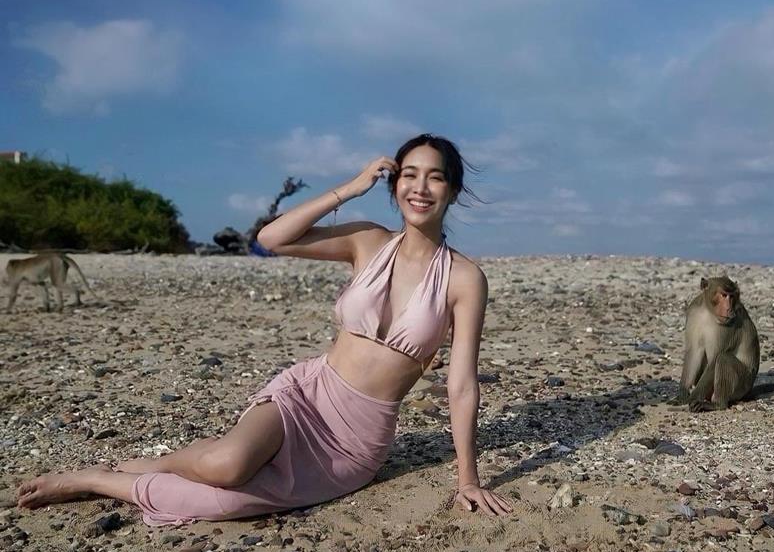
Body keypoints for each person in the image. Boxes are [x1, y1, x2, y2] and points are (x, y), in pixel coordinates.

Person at [16, 134, 511, 523]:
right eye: (409, 175)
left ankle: (100, 481)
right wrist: (349, 188)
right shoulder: (366, 240)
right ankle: (142, 467)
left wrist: (467, 478)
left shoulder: (465, 279)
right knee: (227, 466)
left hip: (358, 437)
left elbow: (461, 383)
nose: (420, 188)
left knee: (225, 502)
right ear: (393, 183)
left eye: (435, 178)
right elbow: (272, 239)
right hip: (310, 392)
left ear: (453, 190)